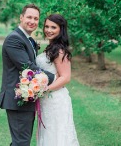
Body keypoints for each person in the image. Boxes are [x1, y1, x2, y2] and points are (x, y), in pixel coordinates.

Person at [0, 4, 55, 146]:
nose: (32, 21)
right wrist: (53, 76)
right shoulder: (14, 39)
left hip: (26, 97)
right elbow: (27, 68)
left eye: (36, 18)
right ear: (21, 17)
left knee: (21, 142)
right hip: (18, 98)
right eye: (29, 17)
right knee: (21, 142)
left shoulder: (26, 39)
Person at [35, 13, 79, 146]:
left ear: (61, 29)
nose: (48, 30)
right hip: (46, 100)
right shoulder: (51, 47)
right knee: (48, 135)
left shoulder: (59, 51)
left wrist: (45, 89)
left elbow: (65, 77)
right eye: (46, 26)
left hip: (56, 100)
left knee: (57, 136)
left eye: (53, 27)